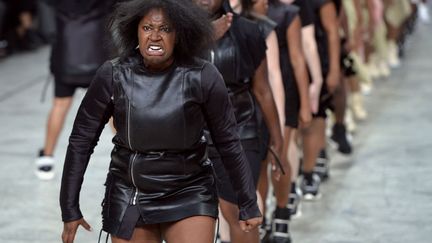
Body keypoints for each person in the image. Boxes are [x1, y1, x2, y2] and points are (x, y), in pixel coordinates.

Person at [60, 0, 262, 242]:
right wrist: (69, 206)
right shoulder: (114, 74)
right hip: (131, 192)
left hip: (190, 190)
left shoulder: (203, 75)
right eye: (147, 28)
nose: (155, 36)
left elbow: (228, 142)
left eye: (165, 29)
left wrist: (248, 201)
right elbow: (81, 140)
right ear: (135, 30)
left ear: (180, 34)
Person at [194, 1, 285, 243]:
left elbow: (263, 89)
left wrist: (277, 138)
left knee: (239, 212)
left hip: (240, 130)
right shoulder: (173, 30)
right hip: (189, 133)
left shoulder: (247, 30)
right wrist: (205, 35)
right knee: (193, 216)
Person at [34, 0, 115, 180]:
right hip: (98, 58)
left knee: (60, 106)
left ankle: (46, 159)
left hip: (65, 58)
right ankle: (128, 153)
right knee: (110, 109)